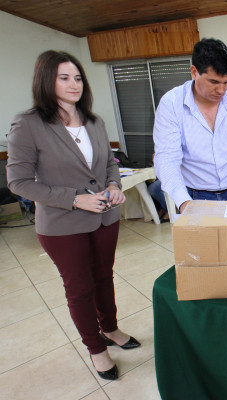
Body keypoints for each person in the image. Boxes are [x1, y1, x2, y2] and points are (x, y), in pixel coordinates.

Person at [6, 50, 140, 381]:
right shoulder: (29, 124)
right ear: (45, 81)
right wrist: (75, 200)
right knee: (79, 287)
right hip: (62, 226)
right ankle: (96, 348)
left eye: (77, 77)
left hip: (105, 218)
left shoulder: (94, 121)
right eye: (64, 77)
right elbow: (18, 182)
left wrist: (113, 185)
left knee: (104, 277)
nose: (74, 84)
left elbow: (109, 164)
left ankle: (110, 328)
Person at [153, 38, 227, 213]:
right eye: (214, 82)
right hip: (193, 194)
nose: (221, 90)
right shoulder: (171, 104)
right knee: (200, 241)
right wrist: (184, 202)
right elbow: (167, 159)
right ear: (194, 72)